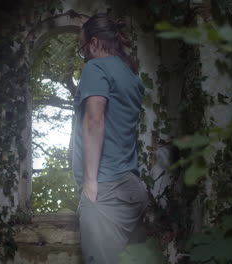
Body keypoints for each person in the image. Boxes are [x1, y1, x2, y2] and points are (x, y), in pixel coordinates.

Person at [72, 13, 149, 264]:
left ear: (94, 43)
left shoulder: (95, 67)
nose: (83, 54)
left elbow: (95, 120)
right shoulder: (131, 75)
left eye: (82, 47)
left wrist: (91, 183)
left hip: (105, 191)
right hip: (130, 188)